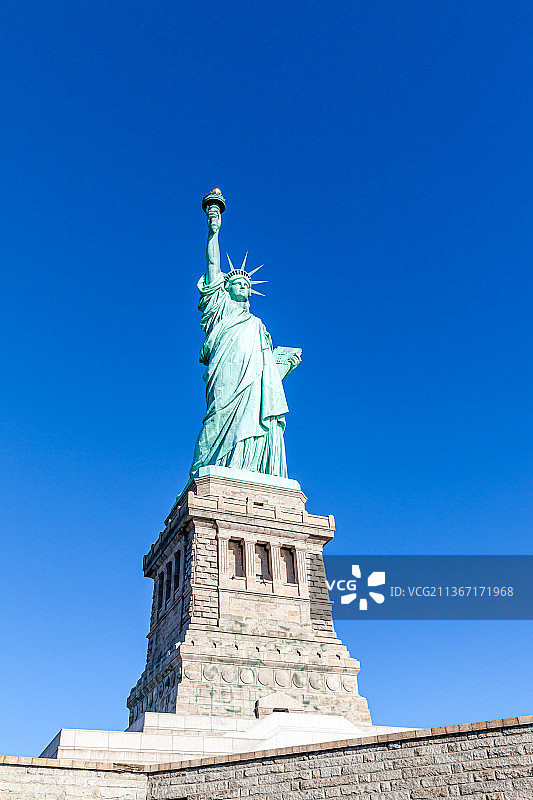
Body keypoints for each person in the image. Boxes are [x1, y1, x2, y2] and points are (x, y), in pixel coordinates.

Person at [190, 200, 301, 478]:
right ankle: (206, 468)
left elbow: (268, 373)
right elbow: (213, 264)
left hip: (253, 383)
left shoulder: (258, 325)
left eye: (247, 284)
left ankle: (249, 466)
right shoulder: (219, 307)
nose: (243, 285)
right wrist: (213, 231)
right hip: (226, 372)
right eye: (237, 282)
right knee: (217, 418)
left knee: (254, 415)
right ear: (226, 287)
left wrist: (283, 363)